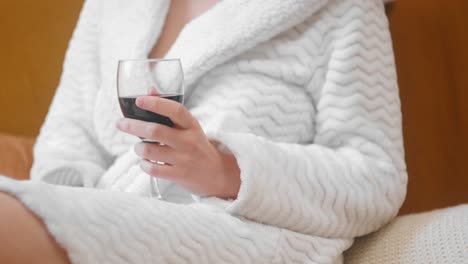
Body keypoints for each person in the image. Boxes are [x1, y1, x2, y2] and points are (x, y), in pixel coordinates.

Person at [0, 0, 407, 263]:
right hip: (111, 211)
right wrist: (79, 202)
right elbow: (65, 144)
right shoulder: (110, 8)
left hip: (245, 236)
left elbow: (377, 175)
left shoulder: (339, 7)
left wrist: (225, 170)